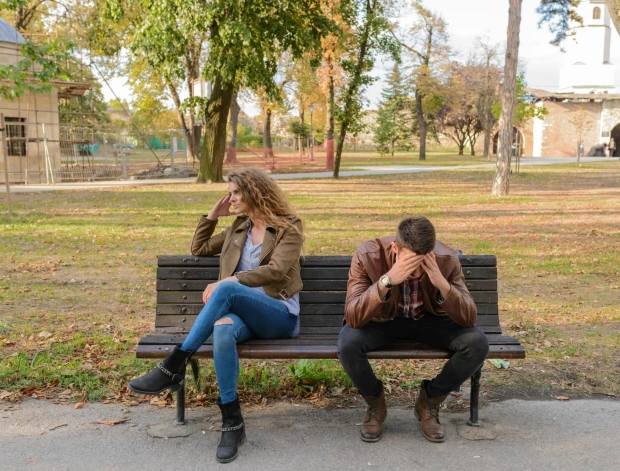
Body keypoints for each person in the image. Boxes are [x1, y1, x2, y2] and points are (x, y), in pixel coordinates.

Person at [129, 168, 304, 463]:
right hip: (242, 315)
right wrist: (212, 216)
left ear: (254, 192)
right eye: (231, 192)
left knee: (226, 289)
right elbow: (198, 249)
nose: (231, 198)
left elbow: (276, 271)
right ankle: (232, 423)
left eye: (236, 192)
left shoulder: (289, 226)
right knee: (222, 330)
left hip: (279, 314)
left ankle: (175, 364)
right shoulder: (238, 229)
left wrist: (231, 281)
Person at [337, 216, 488, 443]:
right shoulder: (368, 255)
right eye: (409, 263)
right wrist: (386, 281)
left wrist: (440, 282)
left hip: (429, 320)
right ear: (395, 248)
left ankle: (430, 400)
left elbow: (468, 318)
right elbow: (354, 317)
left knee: (477, 343)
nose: (415, 272)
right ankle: (375, 402)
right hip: (382, 321)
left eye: (422, 263)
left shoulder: (446, 258)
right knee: (347, 343)